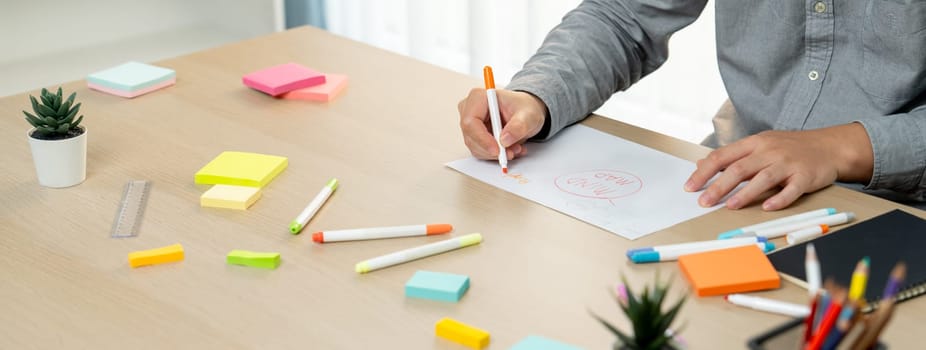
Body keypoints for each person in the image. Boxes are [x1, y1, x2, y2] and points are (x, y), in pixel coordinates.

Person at [457, 0, 926, 211]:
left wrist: (842, 147)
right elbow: (625, 17)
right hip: (731, 190)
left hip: (898, 210)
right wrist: (536, 96)